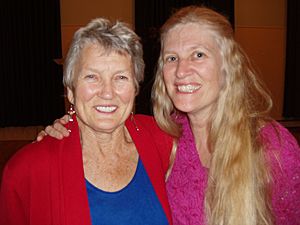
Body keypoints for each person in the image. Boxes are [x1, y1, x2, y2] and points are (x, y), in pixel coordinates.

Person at [37, 6, 300, 225]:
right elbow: (104, 117)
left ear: (227, 67)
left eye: (198, 54)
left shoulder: (274, 148)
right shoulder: (163, 136)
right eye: (172, 58)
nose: (182, 71)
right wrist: (70, 124)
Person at [0, 18, 173, 225]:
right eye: (92, 77)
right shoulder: (26, 170)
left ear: (135, 89)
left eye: (121, 78)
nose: (107, 93)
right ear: (71, 90)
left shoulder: (162, 138)